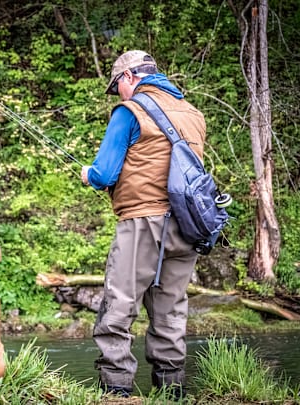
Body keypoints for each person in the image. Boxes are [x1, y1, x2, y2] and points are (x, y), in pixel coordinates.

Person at [80, 50, 205, 399]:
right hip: (187, 226)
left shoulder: (130, 110)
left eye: (116, 85)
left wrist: (88, 174)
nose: (118, 94)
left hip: (142, 223)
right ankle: (171, 392)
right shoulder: (193, 114)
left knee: (118, 308)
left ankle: (117, 392)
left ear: (129, 77)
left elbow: (105, 173)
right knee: (170, 313)